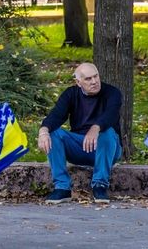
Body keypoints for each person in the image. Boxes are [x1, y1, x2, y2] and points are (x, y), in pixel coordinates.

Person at [37, 62, 123, 204]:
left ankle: (99, 185)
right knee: (53, 133)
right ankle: (62, 188)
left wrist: (96, 129)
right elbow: (56, 116)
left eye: (96, 76)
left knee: (107, 132)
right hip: (80, 147)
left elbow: (111, 115)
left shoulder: (112, 93)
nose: (94, 81)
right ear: (78, 82)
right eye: (88, 79)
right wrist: (43, 131)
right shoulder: (71, 94)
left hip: (107, 148)